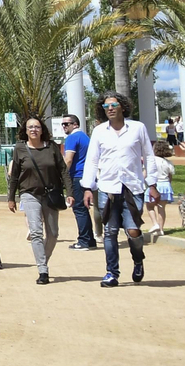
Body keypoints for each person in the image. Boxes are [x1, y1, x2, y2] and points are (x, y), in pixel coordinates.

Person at [81, 92, 158, 289]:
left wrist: (152, 183)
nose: (111, 109)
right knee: (110, 231)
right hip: (108, 188)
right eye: (106, 106)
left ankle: (138, 259)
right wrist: (88, 187)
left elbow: (149, 156)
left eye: (114, 105)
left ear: (123, 106)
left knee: (133, 230)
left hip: (133, 188)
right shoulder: (99, 131)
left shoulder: (138, 128)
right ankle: (111, 272)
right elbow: (92, 160)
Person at [7, 115, 67, 285]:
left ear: (42, 130)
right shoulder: (20, 148)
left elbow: (63, 170)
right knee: (36, 232)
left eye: (37, 127)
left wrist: (70, 191)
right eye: (30, 127)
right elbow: (15, 175)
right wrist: (11, 197)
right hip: (29, 193)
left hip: (50, 194)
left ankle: (43, 261)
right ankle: (43, 270)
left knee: (53, 233)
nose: (34, 130)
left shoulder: (52, 147)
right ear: (25, 131)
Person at [60, 114, 95, 251]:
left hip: (76, 176)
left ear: (75, 124)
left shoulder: (72, 138)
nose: (64, 127)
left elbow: (68, 160)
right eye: (63, 124)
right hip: (85, 176)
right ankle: (89, 239)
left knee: (79, 209)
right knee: (83, 209)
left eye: (66, 124)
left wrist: (61, 175)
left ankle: (84, 241)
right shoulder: (85, 137)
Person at [149, 141, 177, 238]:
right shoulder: (168, 162)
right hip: (165, 185)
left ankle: (155, 223)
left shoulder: (151, 160)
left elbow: (146, 173)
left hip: (154, 184)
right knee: (161, 208)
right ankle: (161, 229)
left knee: (150, 206)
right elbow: (170, 176)